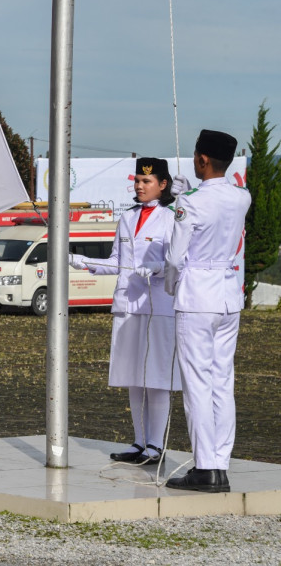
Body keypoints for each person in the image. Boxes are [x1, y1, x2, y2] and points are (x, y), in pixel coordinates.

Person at [69, 157, 180, 465]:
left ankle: (156, 445)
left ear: (162, 185)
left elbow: (179, 263)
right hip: (128, 302)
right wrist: (83, 261)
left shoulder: (171, 219)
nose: (140, 186)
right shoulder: (128, 218)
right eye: (137, 181)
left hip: (158, 305)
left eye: (147, 181)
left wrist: (159, 268)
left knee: (157, 376)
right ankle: (139, 441)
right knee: (133, 375)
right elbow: (117, 262)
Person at [163, 130, 250, 493]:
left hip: (198, 296)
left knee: (197, 383)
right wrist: (186, 197)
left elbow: (174, 257)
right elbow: (220, 201)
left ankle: (205, 468)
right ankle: (221, 464)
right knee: (221, 381)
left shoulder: (192, 202)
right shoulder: (241, 196)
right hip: (229, 295)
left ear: (201, 160)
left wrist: (171, 287)